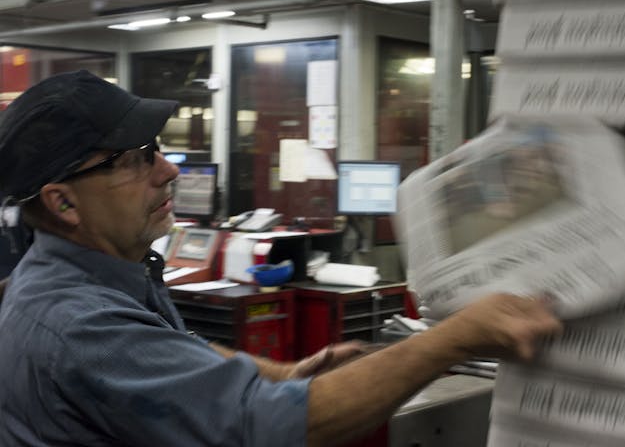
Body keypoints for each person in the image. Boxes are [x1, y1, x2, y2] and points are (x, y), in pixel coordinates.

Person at [0, 70, 562, 447]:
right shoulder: (79, 324)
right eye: (136, 158)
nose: (168, 170)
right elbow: (265, 426)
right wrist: (456, 338)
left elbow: (172, 355)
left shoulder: (84, 278)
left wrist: (282, 372)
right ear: (63, 200)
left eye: (160, 149)